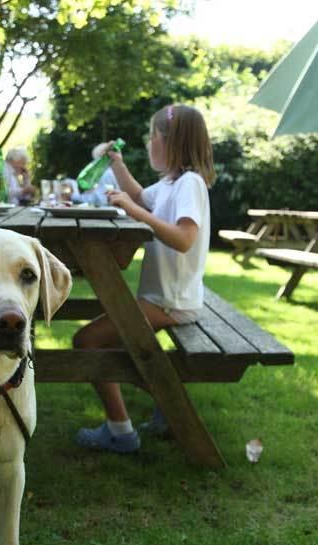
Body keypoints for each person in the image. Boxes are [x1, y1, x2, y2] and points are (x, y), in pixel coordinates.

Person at [73, 104, 215, 454]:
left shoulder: (190, 184)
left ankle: (122, 432)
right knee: (123, 349)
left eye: (153, 136)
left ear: (171, 143)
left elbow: (183, 238)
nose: (148, 142)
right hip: (166, 297)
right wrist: (117, 164)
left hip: (171, 301)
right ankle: (168, 406)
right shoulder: (171, 184)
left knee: (88, 342)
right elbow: (139, 197)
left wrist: (135, 212)